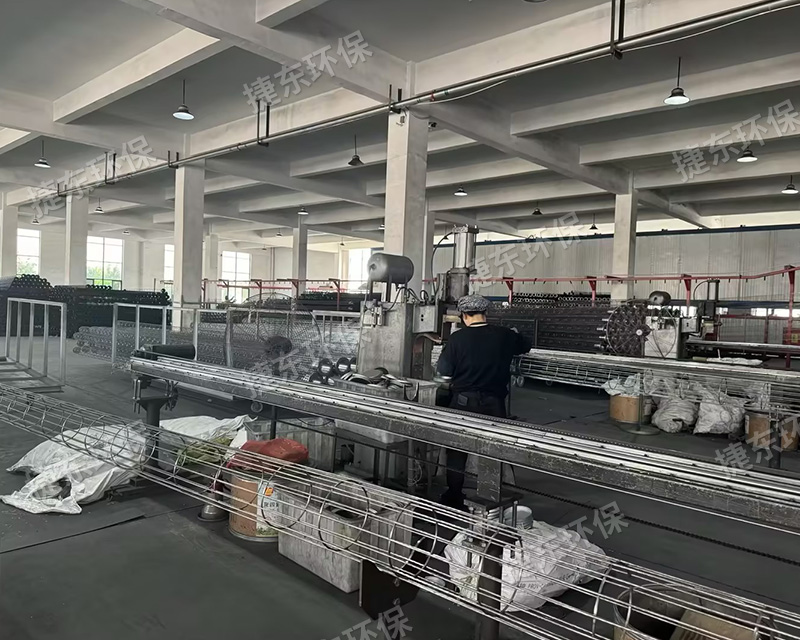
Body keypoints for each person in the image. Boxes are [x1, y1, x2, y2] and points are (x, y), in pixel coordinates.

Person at [435, 294, 532, 508]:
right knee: (492, 448)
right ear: (485, 313)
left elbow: (444, 373)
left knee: (457, 450)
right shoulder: (504, 335)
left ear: (463, 316)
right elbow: (526, 345)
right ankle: (490, 496)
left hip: (463, 403)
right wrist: (514, 335)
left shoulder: (457, 339)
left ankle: (454, 496)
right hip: (494, 404)